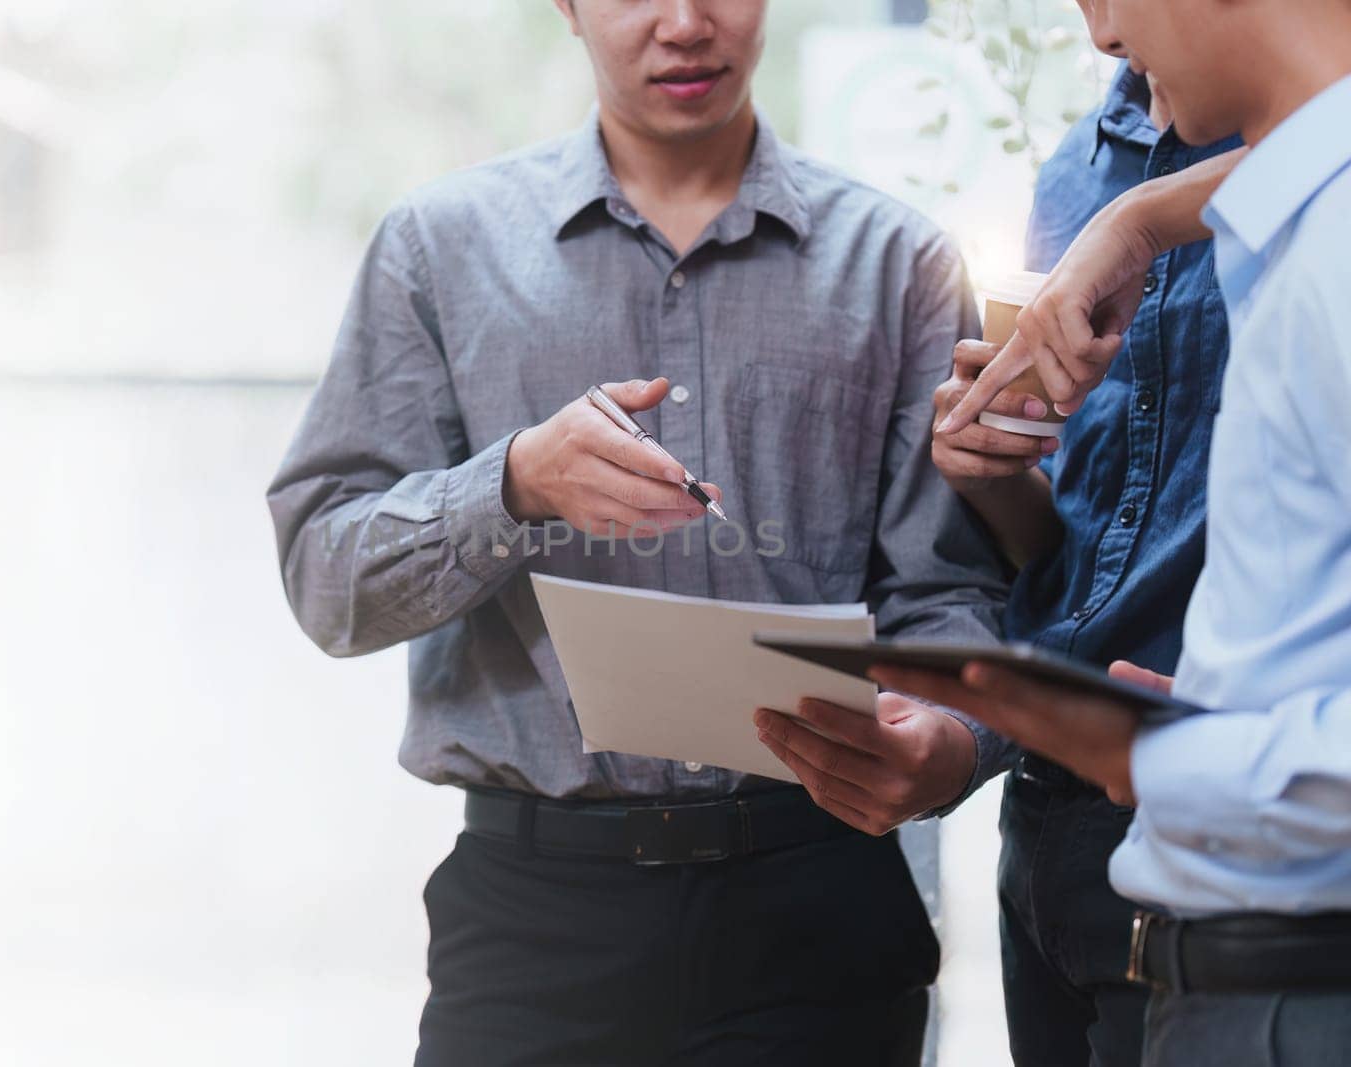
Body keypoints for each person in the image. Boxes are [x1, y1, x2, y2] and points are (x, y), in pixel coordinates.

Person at [267, 1, 1009, 1062]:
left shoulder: (899, 265)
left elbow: (950, 594)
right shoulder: (440, 247)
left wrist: (956, 744)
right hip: (535, 920)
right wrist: (512, 485)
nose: (684, 23)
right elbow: (324, 580)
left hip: (818, 902)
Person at [757, 11, 1241, 1064]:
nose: (1104, 29)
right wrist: (997, 473)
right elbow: (1067, 546)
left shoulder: (1302, 166)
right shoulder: (1077, 166)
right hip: (1048, 820)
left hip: (1224, 816)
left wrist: (1148, 219)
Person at [888, 1, 1351, 1062]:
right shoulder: (1107, 180)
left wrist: (1193, 749)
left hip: (1284, 946)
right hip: (1123, 862)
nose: (1097, 34)